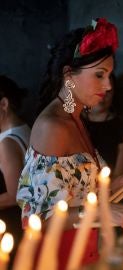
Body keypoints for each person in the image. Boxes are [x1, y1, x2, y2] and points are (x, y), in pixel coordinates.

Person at [16, 18, 123, 269]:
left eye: (109, 75)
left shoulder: (73, 115)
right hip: (57, 256)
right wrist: (101, 213)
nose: (108, 86)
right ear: (68, 75)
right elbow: (36, 219)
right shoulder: (53, 127)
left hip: (82, 248)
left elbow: (72, 192)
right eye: (99, 75)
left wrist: (115, 185)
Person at [0, 75, 31, 266]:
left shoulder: (7, 142)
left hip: (11, 228)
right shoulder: (25, 128)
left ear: (4, 103)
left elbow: (15, 195)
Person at [84, 73, 123, 179]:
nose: (102, 95)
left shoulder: (122, 128)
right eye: (98, 89)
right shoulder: (75, 121)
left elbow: (119, 177)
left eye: (108, 91)